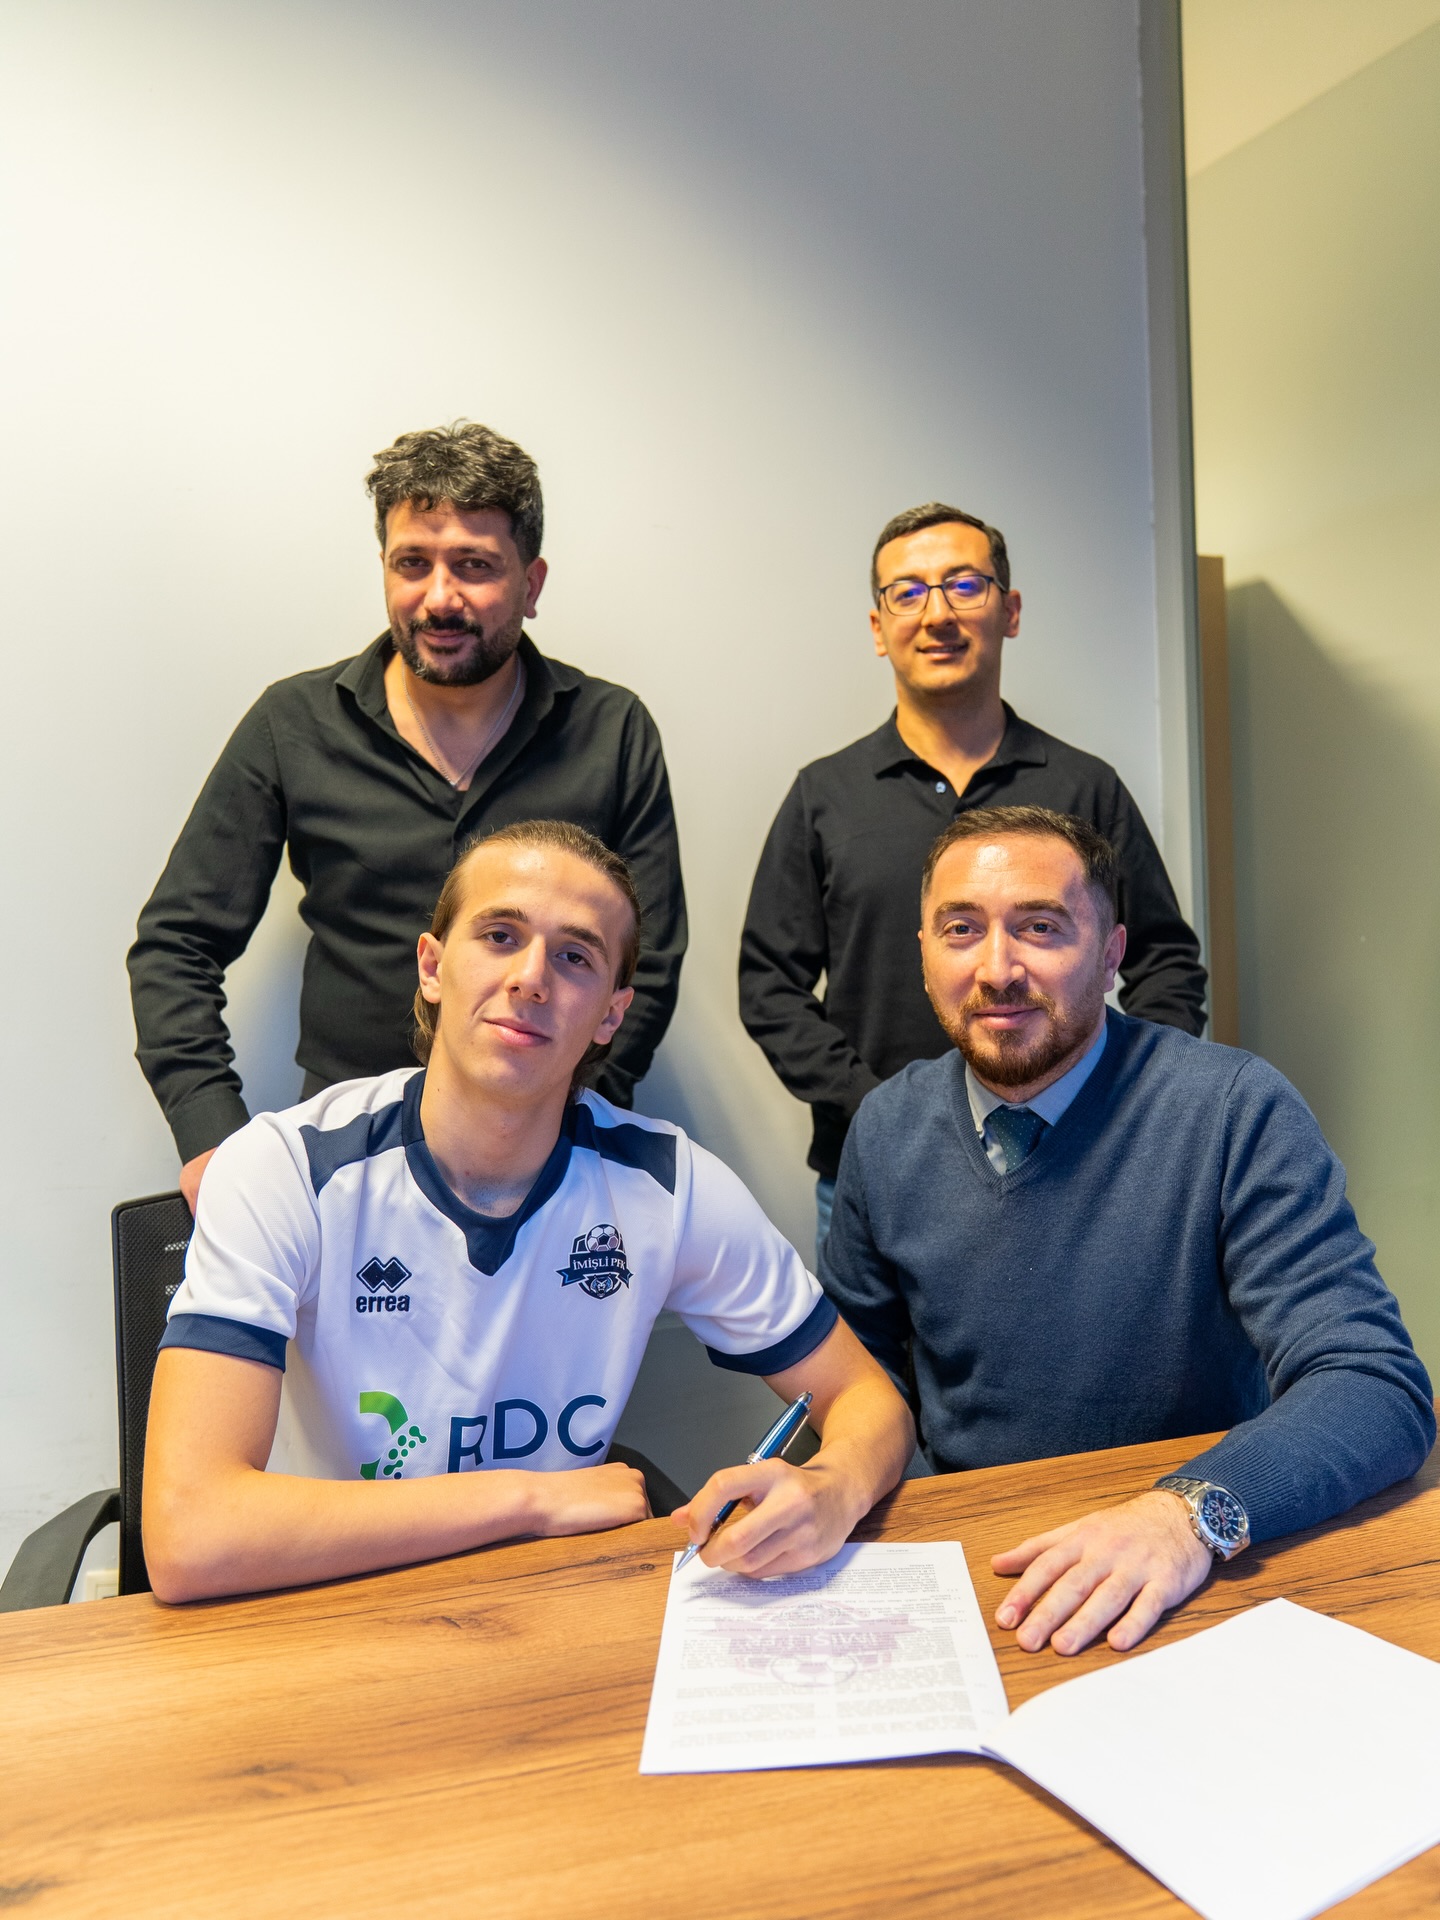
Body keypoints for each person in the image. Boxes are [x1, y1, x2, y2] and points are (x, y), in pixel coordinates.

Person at [142, 820, 913, 1604]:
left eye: (575, 956)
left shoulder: (667, 1185)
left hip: (547, 1605)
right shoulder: (285, 1168)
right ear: (432, 967)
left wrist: (832, 1487)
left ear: (611, 1014)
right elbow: (188, 1531)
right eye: (500, 936)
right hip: (329, 1604)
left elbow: (869, 1400)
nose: (531, 978)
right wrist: (531, 1499)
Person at [820, 805, 1434, 1657]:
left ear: (1112, 954)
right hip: (991, 1567)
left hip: (1194, 1565)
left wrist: (1184, 1518)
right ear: (924, 952)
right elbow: (859, 1375)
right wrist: (823, 1479)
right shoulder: (886, 1128)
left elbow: (1375, 1385)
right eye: (962, 930)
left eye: (1040, 927)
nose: (997, 969)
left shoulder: (1233, 1110)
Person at [129, 421, 686, 1212]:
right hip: (338, 1168)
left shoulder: (612, 731)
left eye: (475, 566)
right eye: (412, 563)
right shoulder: (292, 724)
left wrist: (571, 1116)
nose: (439, 597)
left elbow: (644, 963)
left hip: (552, 1165)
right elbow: (178, 945)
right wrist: (209, 1133)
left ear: (531, 584)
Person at [739, 502, 1206, 1244]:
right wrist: (878, 1107)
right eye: (908, 592)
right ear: (879, 628)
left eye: (964, 585)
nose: (937, 614)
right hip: (879, 1171)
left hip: (1074, 1166)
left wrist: (1122, 1101)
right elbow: (769, 988)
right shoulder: (824, 797)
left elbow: (1166, 962)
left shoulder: (1085, 789)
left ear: (1009, 611)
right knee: (866, 1332)